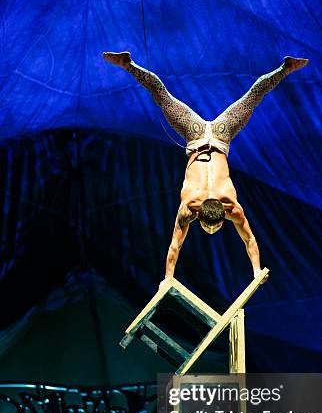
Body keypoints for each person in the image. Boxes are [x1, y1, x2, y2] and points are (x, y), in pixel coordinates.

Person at [103, 51, 308, 284]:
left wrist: (256, 271)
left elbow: (177, 246)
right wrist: (167, 278)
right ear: (201, 214)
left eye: (212, 228)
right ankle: (127, 63)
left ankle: (287, 68)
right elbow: (180, 246)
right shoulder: (199, 209)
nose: (211, 231)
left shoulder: (216, 208)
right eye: (213, 228)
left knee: (168, 95)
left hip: (203, 134)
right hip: (210, 135)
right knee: (167, 96)